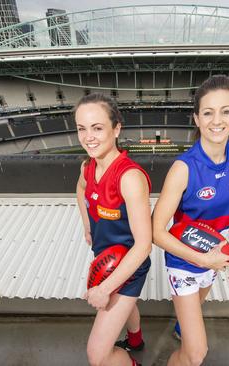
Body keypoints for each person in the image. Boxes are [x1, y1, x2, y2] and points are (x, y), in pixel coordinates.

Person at [152, 75, 229, 366]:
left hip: (214, 256)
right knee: (196, 355)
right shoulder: (183, 169)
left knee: (194, 313)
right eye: (208, 112)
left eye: (225, 111)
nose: (216, 120)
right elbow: (156, 231)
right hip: (184, 262)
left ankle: (183, 327)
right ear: (196, 118)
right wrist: (202, 260)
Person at [75, 93, 152, 366]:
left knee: (97, 356)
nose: (88, 137)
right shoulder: (88, 167)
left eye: (97, 128)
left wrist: (106, 288)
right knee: (125, 305)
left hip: (129, 268)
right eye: (81, 129)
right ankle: (135, 340)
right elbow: (81, 189)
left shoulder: (129, 178)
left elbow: (144, 246)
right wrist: (87, 225)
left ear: (116, 128)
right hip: (106, 256)